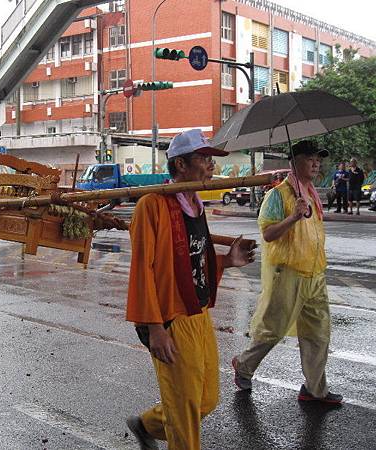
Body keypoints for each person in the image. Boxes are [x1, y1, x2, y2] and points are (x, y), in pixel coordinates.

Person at [125, 129, 254, 450]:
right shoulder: (151, 206)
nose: (211, 165)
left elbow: (191, 259)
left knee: (205, 400)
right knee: (184, 415)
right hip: (169, 317)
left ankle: (147, 424)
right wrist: (155, 328)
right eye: (204, 158)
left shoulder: (194, 203)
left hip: (197, 312)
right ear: (180, 165)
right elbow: (143, 270)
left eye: (211, 159)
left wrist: (225, 262)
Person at [232, 140, 343, 406]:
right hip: (288, 273)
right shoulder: (278, 195)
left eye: (319, 159)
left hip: (314, 273)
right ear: (295, 162)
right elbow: (268, 234)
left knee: (318, 333)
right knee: (273, 328)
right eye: (310, 158)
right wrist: (293, 216)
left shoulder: (311, 194)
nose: (316, 163)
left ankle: (315, 389)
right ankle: (244, 366)